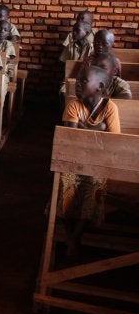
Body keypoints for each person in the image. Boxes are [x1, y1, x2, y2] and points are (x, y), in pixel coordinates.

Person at [59, 65, 120, 260]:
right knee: (64, 184)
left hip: (99, 163)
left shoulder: (110, 107)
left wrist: (84, 127)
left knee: (93, 187)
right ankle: (72, 236)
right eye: (77, 80)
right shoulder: (73, 104)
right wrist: (98, 130)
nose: (77, 84)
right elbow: (72, 137)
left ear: (99, 87)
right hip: (74, 160)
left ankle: (74, 237)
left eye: (83, 81)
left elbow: (112, 142)